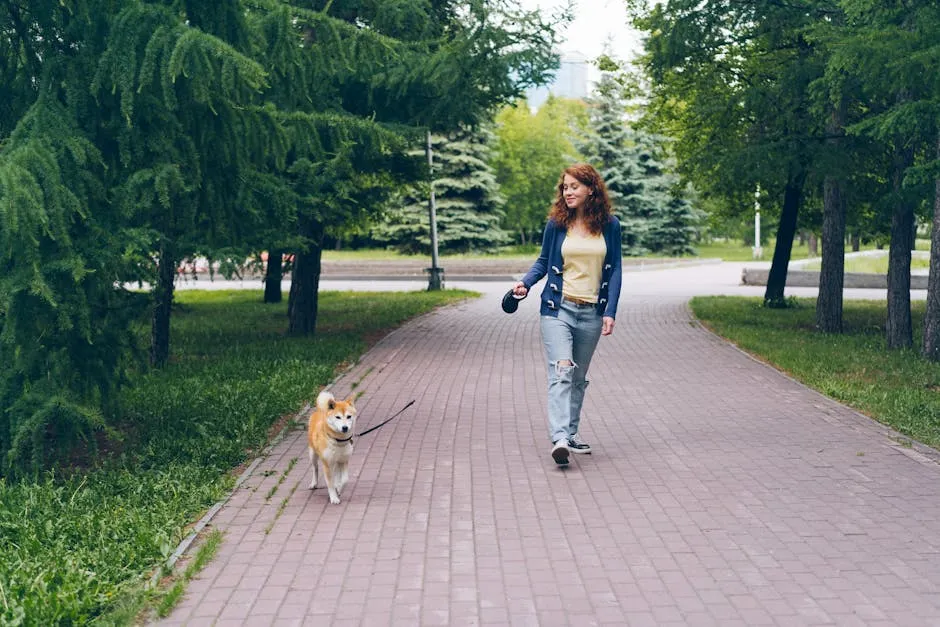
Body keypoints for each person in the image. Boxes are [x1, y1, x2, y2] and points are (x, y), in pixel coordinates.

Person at [512, 163, 622, 466]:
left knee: (577, 377)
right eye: (565, 187)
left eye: (574, 186)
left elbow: (615, 271)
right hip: (557, 308)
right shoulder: (556, 224)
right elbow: (543, 261)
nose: (568, 192)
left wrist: (610, 310)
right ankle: (559, 438)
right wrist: (526, 283)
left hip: (591, 313)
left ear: (591, 189)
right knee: (561, 371)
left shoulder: (610, 225)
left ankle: (571, 433)